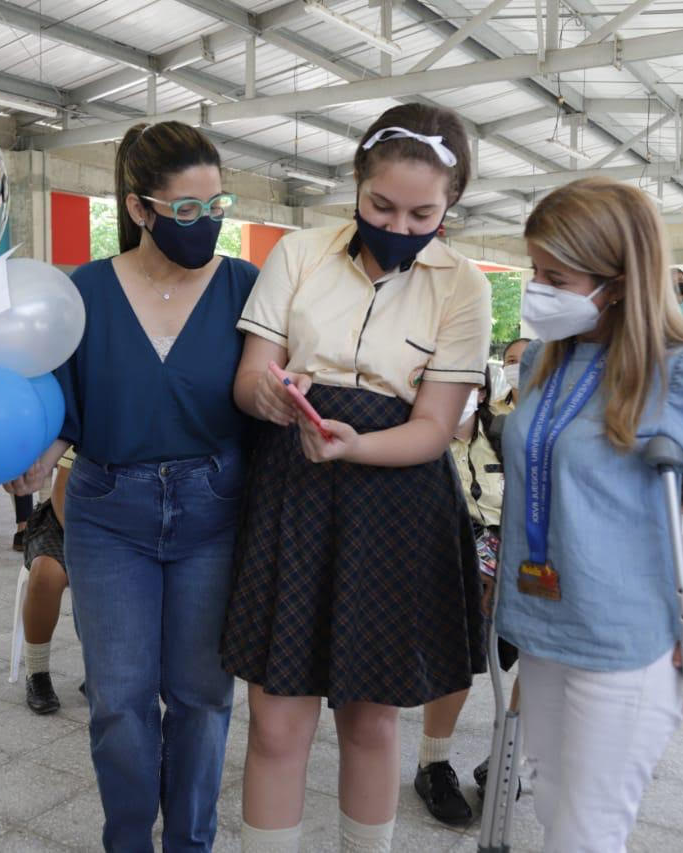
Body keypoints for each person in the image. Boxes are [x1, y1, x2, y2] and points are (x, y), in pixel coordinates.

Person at [222, 103, 490, 852]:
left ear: (451, 205)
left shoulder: (463, 285)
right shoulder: (300, 251)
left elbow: (435, 428)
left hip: (394, 500)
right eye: (381, 205)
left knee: (371, 717)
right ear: (355, 184)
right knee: (276, 721)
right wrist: (270, 395)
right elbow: (249, 379)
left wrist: (354, 447)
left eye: (422, 213)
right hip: (293, 489)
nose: (399, 226)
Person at [7, 120, 258, 851]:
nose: (207, 222)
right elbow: (66, 405)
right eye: (186, 210)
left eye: (218, 205)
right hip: (110, 508)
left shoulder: (248, 287)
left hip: (215, 508)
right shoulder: (81, 292)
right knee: (118, 699)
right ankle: (128, 839)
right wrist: (36, 452)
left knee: (202, 698)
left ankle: (190, 841)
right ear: (140, 207)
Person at [495, 178, 683, 850]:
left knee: (586, 832)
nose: (537, 288)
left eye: (554, 275)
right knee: (554, 808)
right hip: (542, 620)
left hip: (624, 640)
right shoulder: (543, 362)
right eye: (533, 270)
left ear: (615, 281)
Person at [415, 365, 507, 826]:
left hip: (508, 550)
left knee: (547, 636)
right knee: (466, 619)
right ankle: (433, 762)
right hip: (443, 551)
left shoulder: (504, 436)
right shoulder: (418, 439)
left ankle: (507, 756)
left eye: (468, 385)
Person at [20, 449, 74, 715]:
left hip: (134, 525)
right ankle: (37, 673)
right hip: (68, 518)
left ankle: (111, 667)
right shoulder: (96, 416)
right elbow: (61, 492)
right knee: (46, 573)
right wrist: (83, 544)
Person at [494, 337, 530, 414]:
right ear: (504, 368)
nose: (520, 366)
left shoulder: (557, 410)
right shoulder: (493, 409)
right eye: (512, 361)